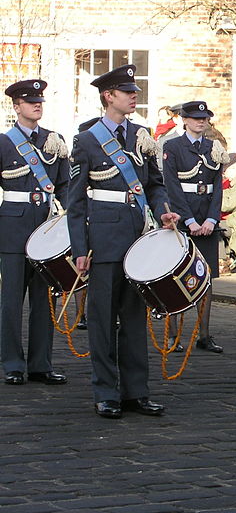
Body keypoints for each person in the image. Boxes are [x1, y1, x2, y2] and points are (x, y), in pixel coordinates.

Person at [67, 64, 180, 419]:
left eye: (134, 90)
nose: (134, 95)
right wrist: (79, 248)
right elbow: (75, 201)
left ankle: (136, 391)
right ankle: (106, 392)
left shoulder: (143, 136)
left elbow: (155, 185)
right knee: (101, 320)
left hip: (137, 237)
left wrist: (163, 211)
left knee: (134, 318)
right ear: (108, 96)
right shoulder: (86, 140)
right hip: (102, 238)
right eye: (126, 91)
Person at [1, 79, 70, 386]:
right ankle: (13, 363)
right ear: (16, 107)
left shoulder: (54, 140)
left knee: (45, 300)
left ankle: (41, 364)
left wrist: (66, 219)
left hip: (46, 228)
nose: (37, 105)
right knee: (11, 301)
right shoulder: (4, 143)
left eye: (39, 100)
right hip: (13, 227)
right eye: (30, 102)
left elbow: (66, 185)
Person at [162, 100, 227, 354]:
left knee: (206, 278)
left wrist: (212, 219)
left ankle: (204, 333)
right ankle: (174, 335)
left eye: (204, 118)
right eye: (195, 118)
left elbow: (217, 186)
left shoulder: (214, 148)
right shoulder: (173, 147)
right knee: (175, 278)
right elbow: (172, 187)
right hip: (182, 219)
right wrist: (189, 221)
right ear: (184, 120)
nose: (201, 121)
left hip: (207, 218)